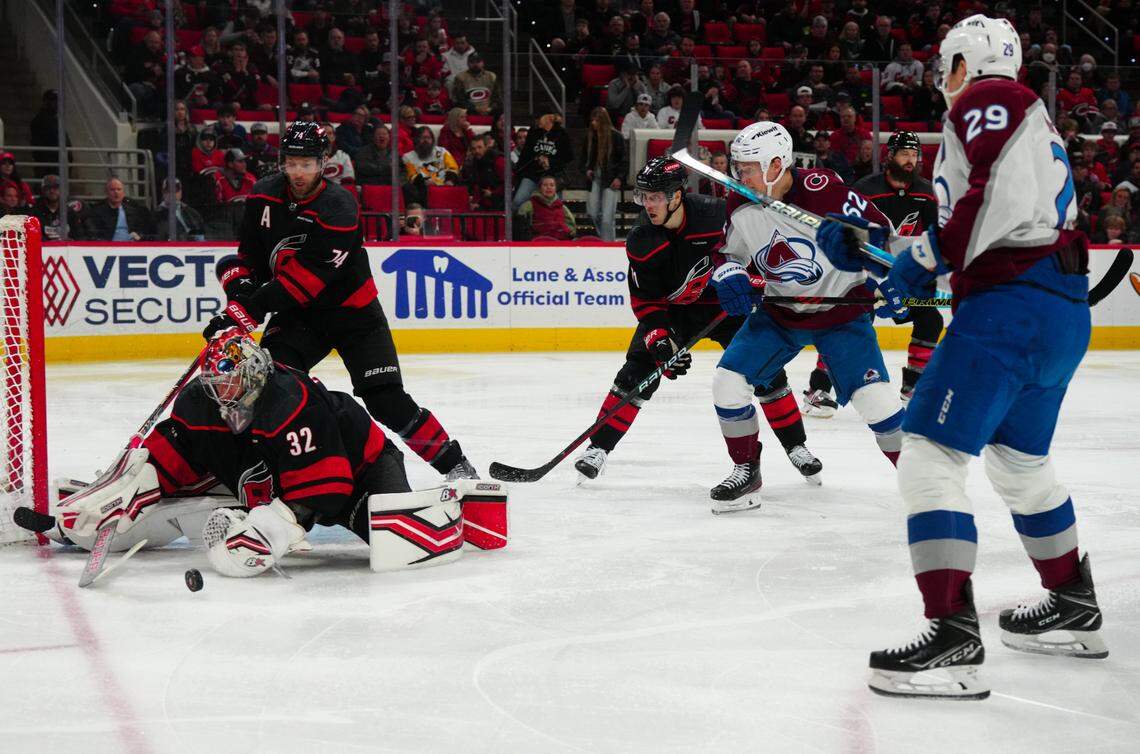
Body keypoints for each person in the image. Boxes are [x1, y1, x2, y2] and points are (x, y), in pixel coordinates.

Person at [817, 16, 1107, 700]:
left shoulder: (989, 99)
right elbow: (992, 215)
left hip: (1012, 306)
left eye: (945, 65)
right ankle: (1074, 604)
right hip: (1055, 308)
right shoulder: (1024, 116)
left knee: (927, 455)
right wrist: (912, 260)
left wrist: (926, 254)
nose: (939, 81)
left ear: (963, 63)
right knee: (1021, 462)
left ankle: (952, 636)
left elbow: (986, 200)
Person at [202, 122, 478, 479]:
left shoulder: (339, 207)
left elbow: (306, 282)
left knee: (386, 400)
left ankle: (455, 466)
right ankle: (269, 471)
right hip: (299, 317)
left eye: (307, 164)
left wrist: (247, 310)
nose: (298, 173)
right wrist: (238, 293)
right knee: (268, 389)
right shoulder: (262, 196)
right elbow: (248, 259)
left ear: (323, 163)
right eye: (292, 163)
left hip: (354, 314)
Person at [63, 329, 413, 578]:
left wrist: (278, 525)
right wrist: (140, 478)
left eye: (229, 382)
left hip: (360, 473)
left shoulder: (291, 401)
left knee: (398, 545)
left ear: (255, 372)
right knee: (202, 469)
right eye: (214, 383)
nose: (222, 393)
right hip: (282, 477)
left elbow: (327, 486)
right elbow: (180, 446)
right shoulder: (203, 401)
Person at [573, 158, 822, 487]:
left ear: (677, 195)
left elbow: (757, 250)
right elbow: (646, 300)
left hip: (725, 307)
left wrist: (754, 282)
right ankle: (598, 449)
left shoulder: (717, 216)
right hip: (675, 313)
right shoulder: (642, 239)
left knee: (766, 370)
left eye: (656, 197)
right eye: (644, 197)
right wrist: (660, 338)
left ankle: (796, 447)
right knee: (637, 373)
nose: (648, 205)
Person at [708, 122, 904, 513]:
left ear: (776, 164)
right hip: (779, 314)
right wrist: (728, 272)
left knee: (877, 403)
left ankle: (926, 485)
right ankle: (747, 472)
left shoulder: (825, 190)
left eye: (746, 168)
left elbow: (881, 236)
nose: (737, 175)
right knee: (727, 384)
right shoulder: (741, 202)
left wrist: (894, 277)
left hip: (841, 312)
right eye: (736, 166)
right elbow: (728, 252)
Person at [851, 130, 941, 402]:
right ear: (890, 156)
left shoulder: (927, 193)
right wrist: (871, 279)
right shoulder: (865, 190)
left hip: (907, 278)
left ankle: (913, 385)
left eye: (914, 155)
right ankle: (820, 388)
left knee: (931, 318)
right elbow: (850, 240)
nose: (910, 160)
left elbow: (937, 240)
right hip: (867, 275)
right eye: (904, 154)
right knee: (852, 321)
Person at [512, 114, 573, 210]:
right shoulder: (534, 131)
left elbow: (568, 157)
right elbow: (525, 154)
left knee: (555, 207)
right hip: (532, 175)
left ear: (548, 118)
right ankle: (519, 224)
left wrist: (550, 162)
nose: (537, 121)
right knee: (518, 202)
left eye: (539, 118)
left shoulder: (561, 133)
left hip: (552, 175)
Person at [583, 107, 626, 242]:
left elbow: (624, 160)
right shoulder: (590, 137)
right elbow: (583, 159)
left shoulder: (616, 137)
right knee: (592, 213)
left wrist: (619, 177)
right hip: (595, 178)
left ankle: (607, 244)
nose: (594, 123)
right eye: (593, 120)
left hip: (611, 178)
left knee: (607, 218)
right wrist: (587, 169)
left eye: (597, 120)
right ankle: (601, 240)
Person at [83, 177, 155, 241]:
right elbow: (94, 234)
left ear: (123, 193)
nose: (116, 192)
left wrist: (139, 235)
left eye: (119, 189)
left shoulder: (134, 211)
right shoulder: (97, 212)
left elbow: (143, 230)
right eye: (112, 190)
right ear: (107, 193)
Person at [402, 126, 459, 205]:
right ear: (416, 140)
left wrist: (449, 181)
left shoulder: (442, 151)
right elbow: (412, 176)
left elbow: (453, 168)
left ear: (432, 140)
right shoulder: (408, 157)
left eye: (428, 138)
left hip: (445, 188)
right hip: (423, 191)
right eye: (422, 138)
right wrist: (426, 183)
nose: (426, 140)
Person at [517, 175, 576, 240]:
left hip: (561, 243)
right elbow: (522, 228)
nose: (549, 187)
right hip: (539, 243)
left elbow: (571, 228)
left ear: (555, 188)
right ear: (539, 188)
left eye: (552, 185)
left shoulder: (563, 207)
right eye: (545, 185)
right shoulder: (529, 205)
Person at [30, 174, 84, 240]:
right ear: (43, 191)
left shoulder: (69, 212)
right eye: (48, 188)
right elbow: (32, 237)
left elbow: (79, 236)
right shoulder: (35, 212)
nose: (52, 191)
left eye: (55, 187)